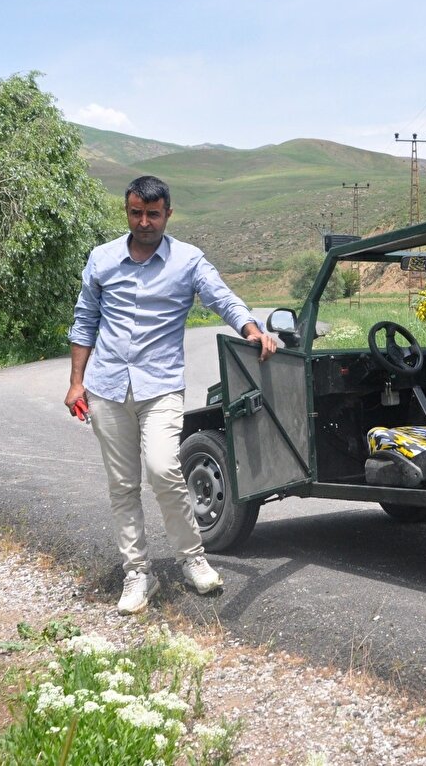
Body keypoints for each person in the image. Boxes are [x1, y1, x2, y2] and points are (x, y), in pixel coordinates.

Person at [65, 175, 277, 614]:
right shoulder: (102, 259)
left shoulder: (188, 260)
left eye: (153, 213)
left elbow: (223, 298)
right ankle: (137, 573)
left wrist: (252, 329)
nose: (144, 222)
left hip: (160, 387)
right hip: (106, 388)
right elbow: (84, 321)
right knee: (123, 485)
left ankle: (192, 559)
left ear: (168, 213)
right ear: (127, 211)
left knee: (163, 469)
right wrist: (75, 382)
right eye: (136, 213)